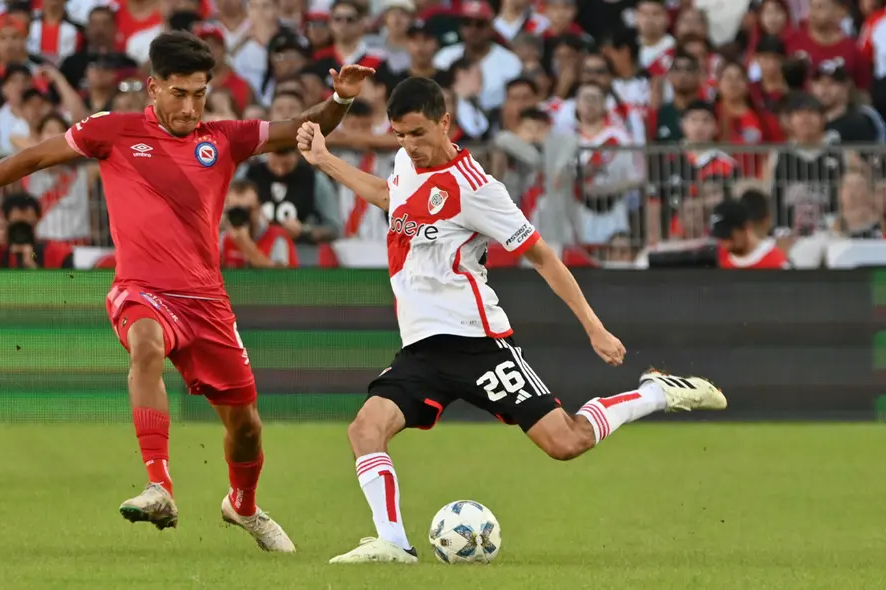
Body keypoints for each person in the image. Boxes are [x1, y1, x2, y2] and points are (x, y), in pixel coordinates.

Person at [0, 31, 374, 549]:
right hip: (141, 289)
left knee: (247, 428)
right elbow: (31, 159)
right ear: (153, 88)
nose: (191, 106)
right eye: (179, 93)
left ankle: (243, 507)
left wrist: (341, 99)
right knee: (145, 346)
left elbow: (305, 128)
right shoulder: (113, 131)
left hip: (207, 303)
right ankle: (159, 484)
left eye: (199, 94)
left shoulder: (226, 137)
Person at [295, 76, 728, 564]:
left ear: (444, 122)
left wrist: (593, 325)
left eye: (417, 133)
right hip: (422, 349)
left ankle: (655, 391)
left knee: (566, 442)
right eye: (399, 135)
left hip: (480, 345)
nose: (408, 146)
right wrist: (325, 159)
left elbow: (543, 257)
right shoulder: (404, 163)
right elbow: (390, 198)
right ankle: (394, 542)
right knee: (364, 430)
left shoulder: (478, 189)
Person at [710, 198, 790, 269]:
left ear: (747, 227)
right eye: (721, 238)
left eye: (729, 237)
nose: (725, 244)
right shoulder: (722, 255)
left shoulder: (776, 263)